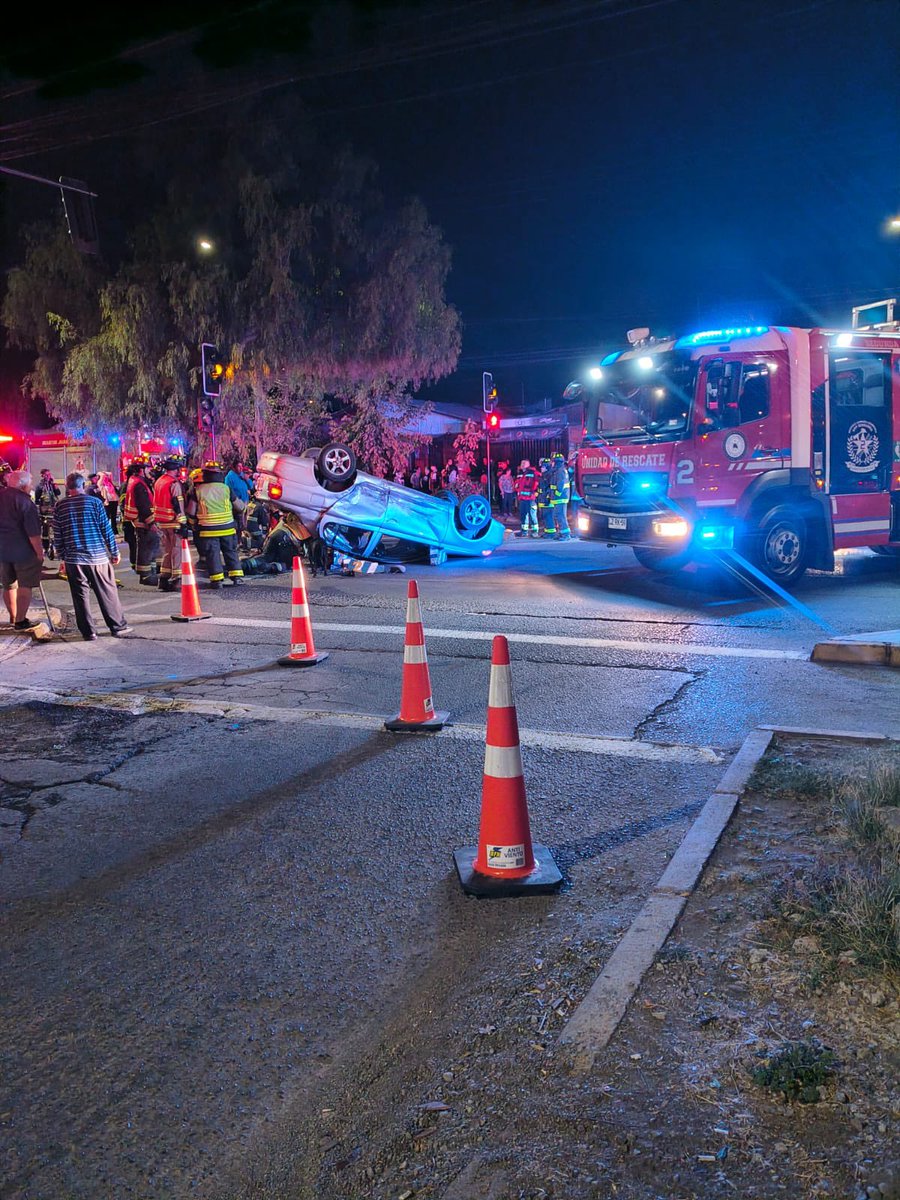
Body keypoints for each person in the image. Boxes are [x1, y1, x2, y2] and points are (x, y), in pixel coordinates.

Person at [53, 473, 129, 641]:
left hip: (74, 560)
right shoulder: (94, 503)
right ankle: (117, 627)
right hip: (98, 557)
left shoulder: (60, 506)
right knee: (107, 592)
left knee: (80, 596)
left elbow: (58, 536)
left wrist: (62, 558)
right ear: (83, 484)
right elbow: (106, 529)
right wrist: (114, 552)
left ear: (67, 486)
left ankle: (88, 632)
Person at [188, 461, 244, 587]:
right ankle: (237, 577)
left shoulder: (197, 490)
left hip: (208, 529)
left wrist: (192, 524)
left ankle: (217, 580)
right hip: (228, 528)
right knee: (230, 551)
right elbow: (239, 507)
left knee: (212, 554)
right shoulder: (226, 489)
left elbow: (191, 512)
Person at [0, 469, 44, 631]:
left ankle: (12, 617)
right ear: (24, 485)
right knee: (25, 585)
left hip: (3, 550)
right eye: (30, 482)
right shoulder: (25, 502)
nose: (31, 485)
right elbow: (33, 532)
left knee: (8, 585)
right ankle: (20, 621)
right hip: (23, 552)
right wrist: (39, 553)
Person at [152, 457, 188, 591]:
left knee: (167, 550)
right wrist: (182, 522)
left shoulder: (159, 481)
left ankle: (164, 577)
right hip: (173, 521)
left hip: (161, 521)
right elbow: (177, 503)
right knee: (176, 550)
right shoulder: (173, 483)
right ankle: (176, 578)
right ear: (176, 469)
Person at [122, 458, 160, 584]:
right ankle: (146, 576)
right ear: (141, 470)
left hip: (140, 520)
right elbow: (143, 505)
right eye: (146, 468)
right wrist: (151, 522)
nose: (149, 470)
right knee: (147, 547)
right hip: (143, 521)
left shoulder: (135, 481)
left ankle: (151, 573)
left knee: (149, 547)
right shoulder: (139, 484)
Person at [34, 467, 60, 559]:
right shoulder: (39, 486)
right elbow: (37, 500)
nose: (48, 476)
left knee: (55, 528)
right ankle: (45, 547)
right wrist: (39, 511)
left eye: (49, 474)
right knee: (45, 530)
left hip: (53, 508)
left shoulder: (52, 484)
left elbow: (58, 493)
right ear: (42, 475)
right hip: (44, 510)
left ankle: (56, 547)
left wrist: (54, 484)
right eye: (46, 474)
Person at [513, 459, 539, 538]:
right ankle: (524, 531)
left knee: (532, 515)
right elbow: (517, 484)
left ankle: (535, 532)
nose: (522, 464)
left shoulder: (533, 472)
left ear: (528, 464)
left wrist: (535, 493)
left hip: (530, 499)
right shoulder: (520, 473)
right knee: (523, 515)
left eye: (524, 463)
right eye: (522, 463)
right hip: (522, 498)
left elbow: (537, 483)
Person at [548, 452, 571, 540]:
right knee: (557, 516)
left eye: (553, 461)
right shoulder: (558, 470)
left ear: (556, 462)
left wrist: (556, 494)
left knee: (561, 516)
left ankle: (566, 535)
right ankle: (561, 533)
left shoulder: (560, 471)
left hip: (560, 498)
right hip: (557, 498)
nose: (551, 463)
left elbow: (560, 484)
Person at [536, 458, 553, 537]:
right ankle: (547, 532)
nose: (541, 468)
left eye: (543, 467)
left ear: (546, 467)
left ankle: (551, 533)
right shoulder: (544, 475)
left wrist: (548, 498)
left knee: (549, 517)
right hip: (542, 499)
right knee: (545, 517)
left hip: (547, 500)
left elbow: (550, 488)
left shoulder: (549, 475)